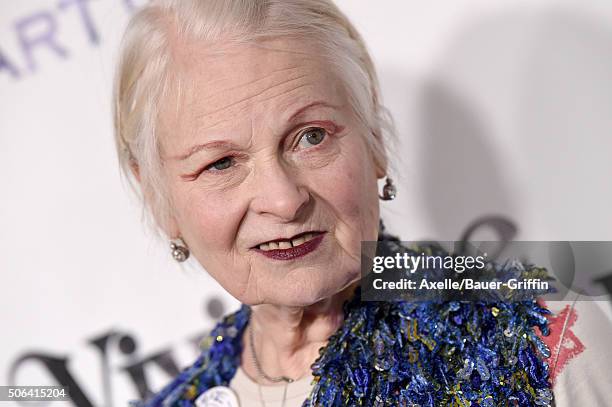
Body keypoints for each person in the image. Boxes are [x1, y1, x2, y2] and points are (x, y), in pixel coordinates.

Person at [113, 1, 610, 406]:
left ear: (373, 136)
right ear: (160, 198)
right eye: (221, 163)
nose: (284, 200)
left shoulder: (537, 328)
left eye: (311, 136)